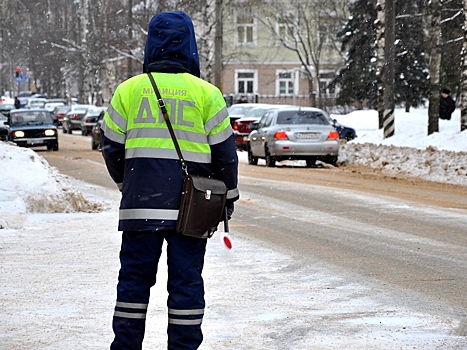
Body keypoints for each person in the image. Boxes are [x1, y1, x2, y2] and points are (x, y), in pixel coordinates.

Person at [100, 11, 239, 350]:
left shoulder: (128, 91)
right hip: (191, 211)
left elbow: (110, 146)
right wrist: (227, 199)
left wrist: (129, 183)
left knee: (133, 283)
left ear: (151, 46)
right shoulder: (207, 94)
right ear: (190, 45)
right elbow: (226, 156)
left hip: (140, 207)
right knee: (186, 284)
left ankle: (126, 346)